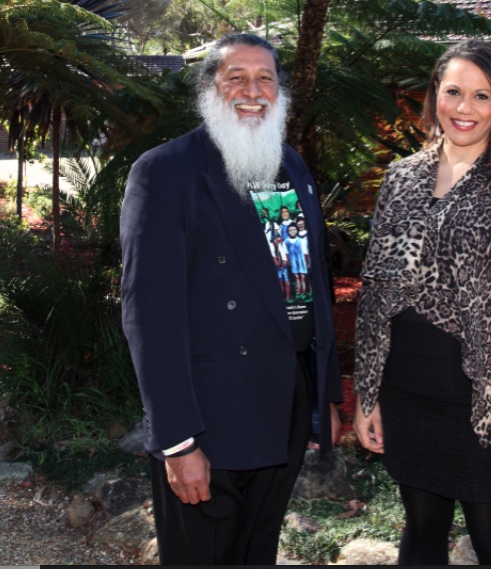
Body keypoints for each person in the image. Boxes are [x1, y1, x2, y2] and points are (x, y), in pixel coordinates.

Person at [120, 32, 343, 565]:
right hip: (209, 413)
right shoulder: (164, 172)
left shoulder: (291, 166)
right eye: (236, 78)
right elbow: (149, 319)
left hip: (284, 398)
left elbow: (312, 287)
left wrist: (325, 397)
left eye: (265, 78)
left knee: (257, 552)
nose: (253, 90)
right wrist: (177, 441)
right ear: (209, 90)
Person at [353, 40, 491, 565]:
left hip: (485, 403)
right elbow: (373, 293)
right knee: (422, 529)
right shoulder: (402, 177)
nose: (464, 108)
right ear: (436, 96)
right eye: (453, 92)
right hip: (405, 391)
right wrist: (367, 394)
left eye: (482, 96)